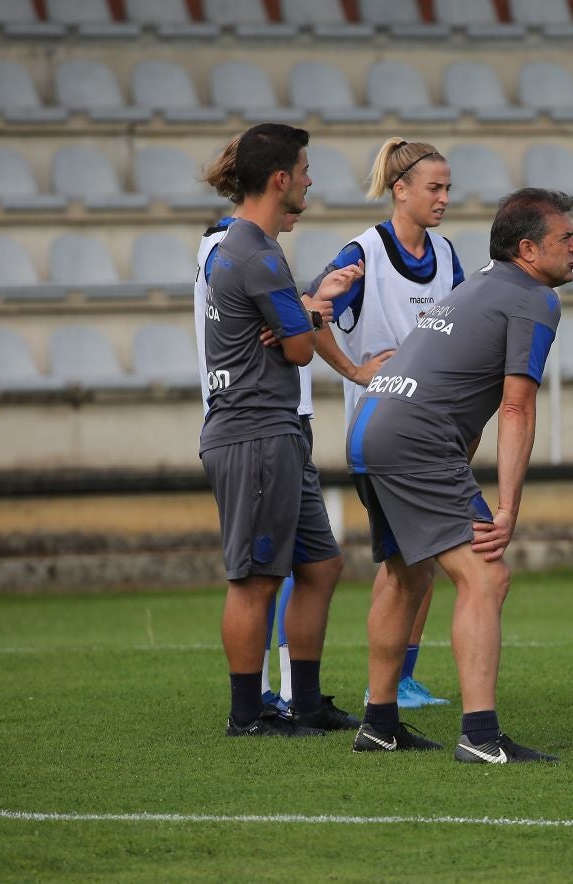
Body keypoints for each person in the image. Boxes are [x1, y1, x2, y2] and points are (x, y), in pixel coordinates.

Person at [346, 188, 573, 762]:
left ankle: (378, 722)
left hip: (370, 423)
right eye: (564, 239)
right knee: (487, 577)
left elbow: (463, 397)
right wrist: (507, 510)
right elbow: (517, 407)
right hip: (413, 438)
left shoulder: (475, 284)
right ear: (528, 249)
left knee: (406, 572)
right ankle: (480, 736)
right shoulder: (534, 299)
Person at [197, 123, 362, 737]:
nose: (311, 180)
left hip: (277, 432)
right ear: (280, 179)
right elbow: (298, 350)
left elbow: (293, 329)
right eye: (305, 170)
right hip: (255, 434)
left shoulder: (246, 250)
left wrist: (303, 308)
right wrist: (301, 315)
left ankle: (308, 703)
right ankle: (250, 714)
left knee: (320, 566)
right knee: (256, 580)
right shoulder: (258, 254)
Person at [312, 138, 466, 709]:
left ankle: (402, 679)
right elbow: (309, 311)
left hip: (432, 428)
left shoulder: (446, 253)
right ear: (400, 190)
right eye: (435, 187)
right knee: (406, 562)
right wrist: (354, 369)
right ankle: (389, 685)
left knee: (418, 559)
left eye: (448, 187)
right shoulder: (363, 252)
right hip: (384, 431)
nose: (444, 197)